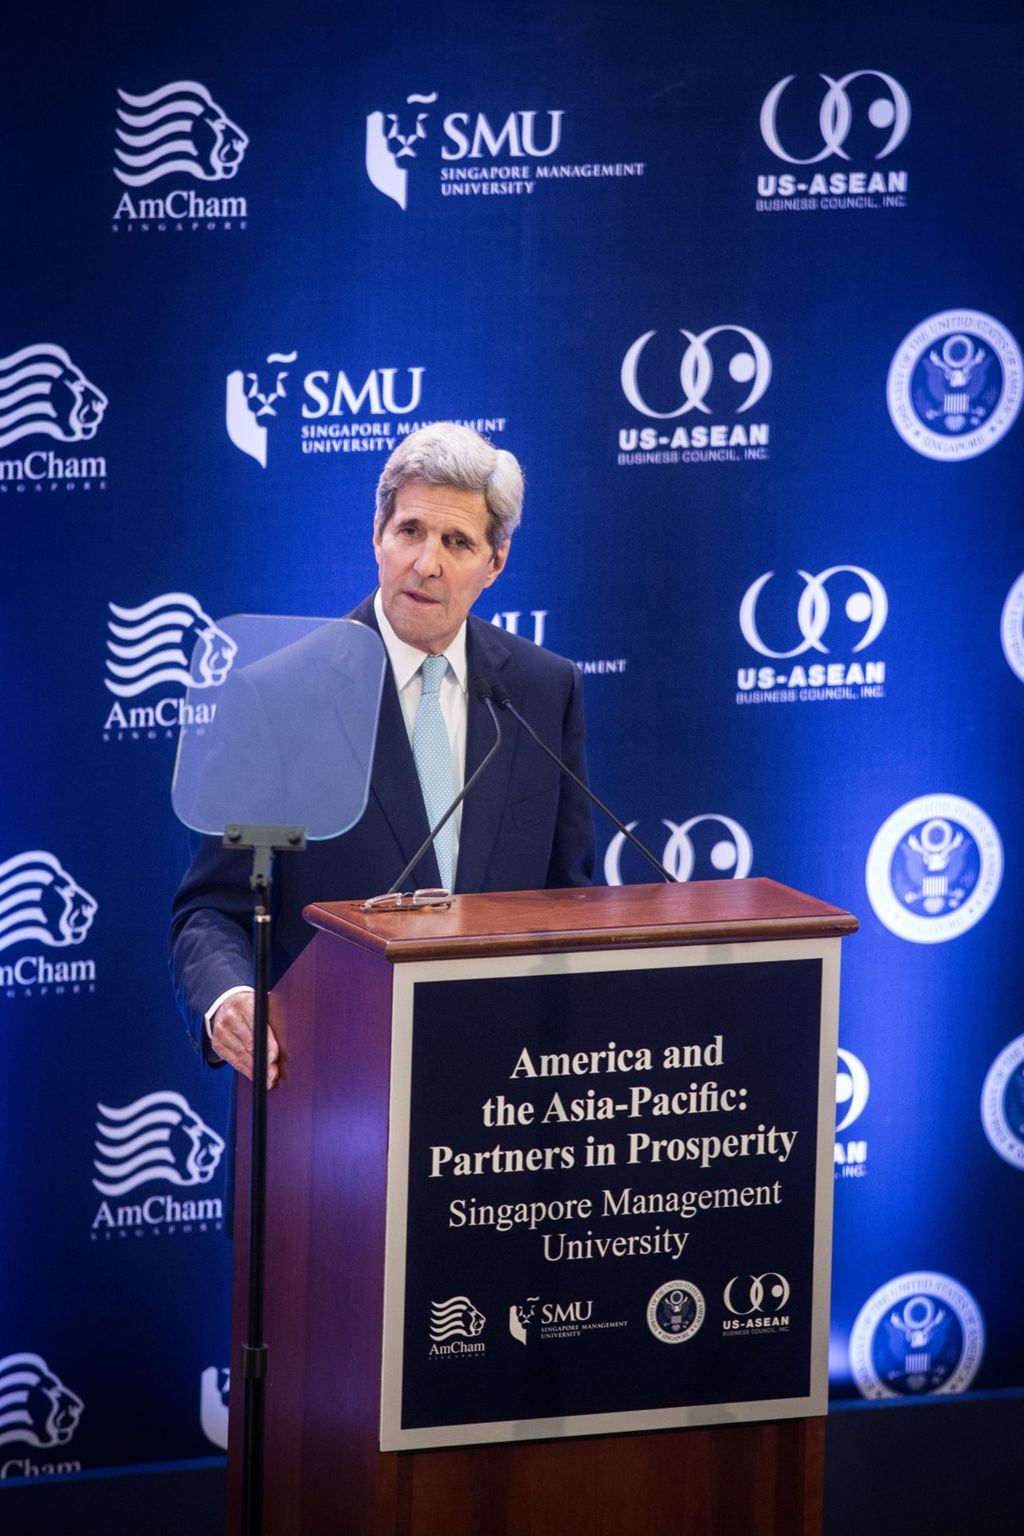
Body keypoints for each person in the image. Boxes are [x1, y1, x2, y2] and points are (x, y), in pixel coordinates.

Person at [170, 422, 595, 1082]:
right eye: (411, 531)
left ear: (495, 562)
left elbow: (572, 900)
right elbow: (212, 911)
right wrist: (230, 1000)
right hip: (333, 1086)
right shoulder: (277, 697)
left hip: (509, 1086)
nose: (427, 562)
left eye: (457, 542)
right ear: (377, 535)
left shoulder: (542, 691)